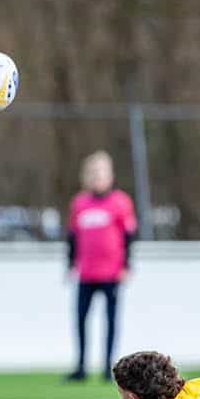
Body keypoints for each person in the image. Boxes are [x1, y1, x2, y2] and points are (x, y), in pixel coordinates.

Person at [66, 151, 136, 381]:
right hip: (86, 273)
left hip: (111, 273)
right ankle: (81, 366)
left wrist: (127, 265)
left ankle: (108, 367)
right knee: (81, 319)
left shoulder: (120, 202)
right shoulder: (79, 203)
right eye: (93, 173)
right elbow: (72, 236)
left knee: (111, 320)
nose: (98, 177)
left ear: (111, 175)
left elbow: (128, 236)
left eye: (102, 172)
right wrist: (70, 264)